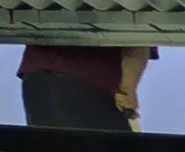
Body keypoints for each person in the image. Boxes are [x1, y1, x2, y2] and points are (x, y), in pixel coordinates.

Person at [17, 44, 155, 131]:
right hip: (89, 84)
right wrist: (127, 91)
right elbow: (137, 45)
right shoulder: (137, 2)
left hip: (36, 84)